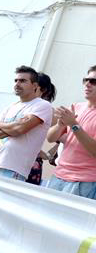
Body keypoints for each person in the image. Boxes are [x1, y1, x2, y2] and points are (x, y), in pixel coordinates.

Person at [0, 66, 52, 181]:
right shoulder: (10, 107)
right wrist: (14, 127)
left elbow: (19, 130)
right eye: (16, 80)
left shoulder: (42, 105)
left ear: (35, 85)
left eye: (23, 81)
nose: (17, 84)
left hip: (13, 169)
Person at [45, 65, 96, 199]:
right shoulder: (76, 107)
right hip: (59, 175)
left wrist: (73, 124)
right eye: (85, 80)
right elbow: (50, 138)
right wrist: (60, 124)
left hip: (84, 182)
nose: (87, 84)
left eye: (93, 81)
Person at [26, 72, 57, 185]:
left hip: (30, 163)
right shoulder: (22, 106)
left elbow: (66, 134)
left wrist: (48, 153)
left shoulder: (48, 110)